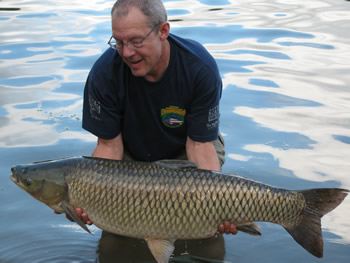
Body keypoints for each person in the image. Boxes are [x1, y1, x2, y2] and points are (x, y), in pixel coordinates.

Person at [63, 0, 238, 239]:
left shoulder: (198, 68)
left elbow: (199, 146)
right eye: (119, 42)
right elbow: (109, 147)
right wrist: (92, 199)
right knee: (115, 242)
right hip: (130, 156)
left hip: (187, 148)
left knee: (206, 233)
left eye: (136, 41)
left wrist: (215, 206)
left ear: (163, 31)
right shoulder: (104, 74)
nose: (126, 53)